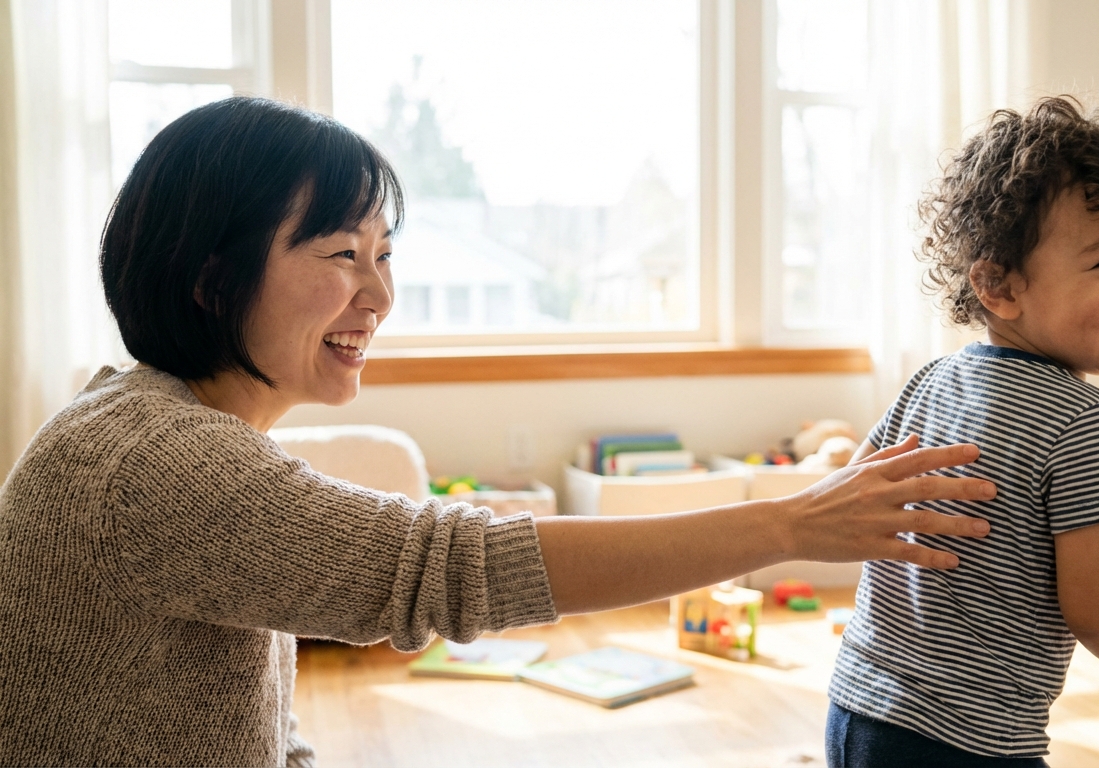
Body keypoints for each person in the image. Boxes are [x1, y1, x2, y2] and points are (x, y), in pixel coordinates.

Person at [0, 96, 997, 767]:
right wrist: (786, 524)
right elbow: (453, 568)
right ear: (211, 278)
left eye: (385, 253)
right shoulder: (158, 463)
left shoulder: (159, 427)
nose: (379, 294)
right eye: (342, 252)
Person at [825, 97, 1099, 767]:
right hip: (968, 741)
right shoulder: (1086, 423)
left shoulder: (933, 379)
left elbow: (848, 499)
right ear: (999, 286)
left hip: (858, 706)